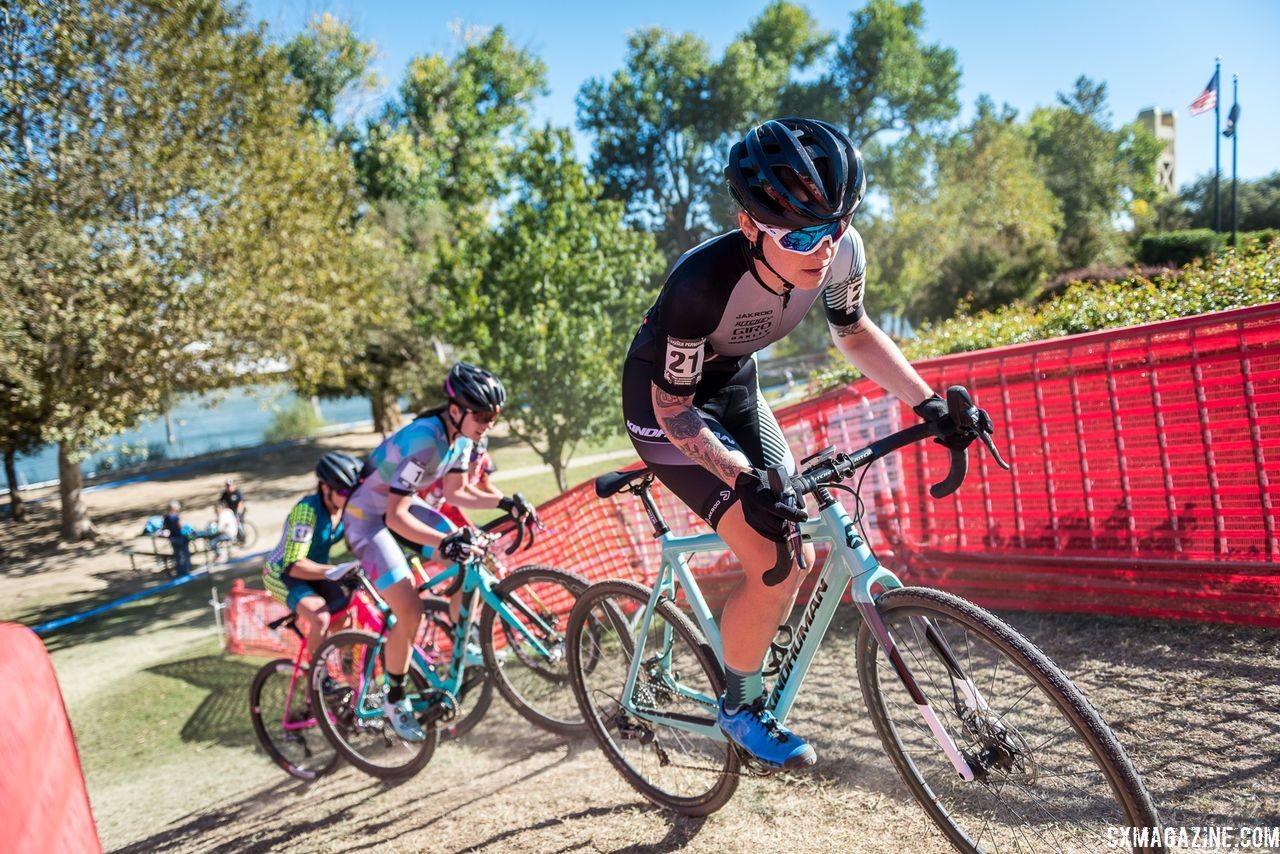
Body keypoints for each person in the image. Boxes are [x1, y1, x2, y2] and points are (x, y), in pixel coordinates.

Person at [621, 117, 960, 770]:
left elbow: (854, 331)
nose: (824, 247)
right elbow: (675, 407)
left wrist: (930, 402)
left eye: (837, 224)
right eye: (801, 233)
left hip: (738, 392)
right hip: (667, 408)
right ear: (750, 227)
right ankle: (739, 707)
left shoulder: (842, 248)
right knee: (775, 560)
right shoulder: (700, 283)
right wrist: (741, 478)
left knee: (795, 536)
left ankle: (751, 642)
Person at [343, 363, 534, 742]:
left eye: (493, 417)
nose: (488, 425)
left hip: (397, 509)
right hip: (368, 519)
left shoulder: (462, 439)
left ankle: (461, 649)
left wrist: (506, 502)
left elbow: (455, 492)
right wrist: (442, 542)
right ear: (456, 409)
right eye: (481, 416)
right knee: (409, 608)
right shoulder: (425, 440)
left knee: (472, 553)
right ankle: (394, 699)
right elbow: (396, 517)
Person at [261, 452, 361, 655]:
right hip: (281, 573)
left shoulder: (348, 509)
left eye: (354, 491)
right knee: (320, 617)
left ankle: (350, 679)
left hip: (314, 571)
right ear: (325, 488)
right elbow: (293, 565)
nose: (349, 496)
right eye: (343, 491)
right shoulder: (307, 511)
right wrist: (336, 570)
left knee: (346, 619)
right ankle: (315, 679)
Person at [159, 500, 191, 575]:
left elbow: (164, 527)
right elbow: (180, 527)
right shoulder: (176, 517)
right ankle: (184, 573)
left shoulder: (166, 517)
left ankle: (179, 571)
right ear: (174, 508)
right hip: (180, 538)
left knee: (177, 556)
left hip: (172, 539)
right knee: (184, 555)